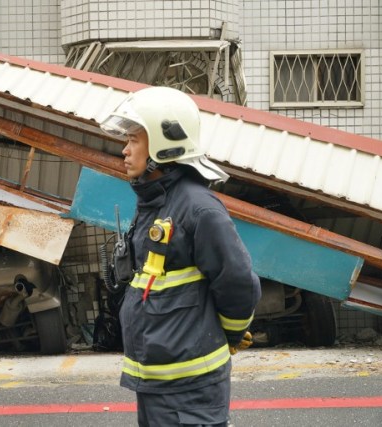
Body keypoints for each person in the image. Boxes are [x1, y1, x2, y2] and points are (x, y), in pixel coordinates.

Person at [100, 86, 262, 427]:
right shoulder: (156, 203)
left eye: (134, 139)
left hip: (190, 389)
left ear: (162, 143)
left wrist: (232, 335)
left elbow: (238, 283)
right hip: (158, 382)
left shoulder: (198, 209)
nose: (124, 150)